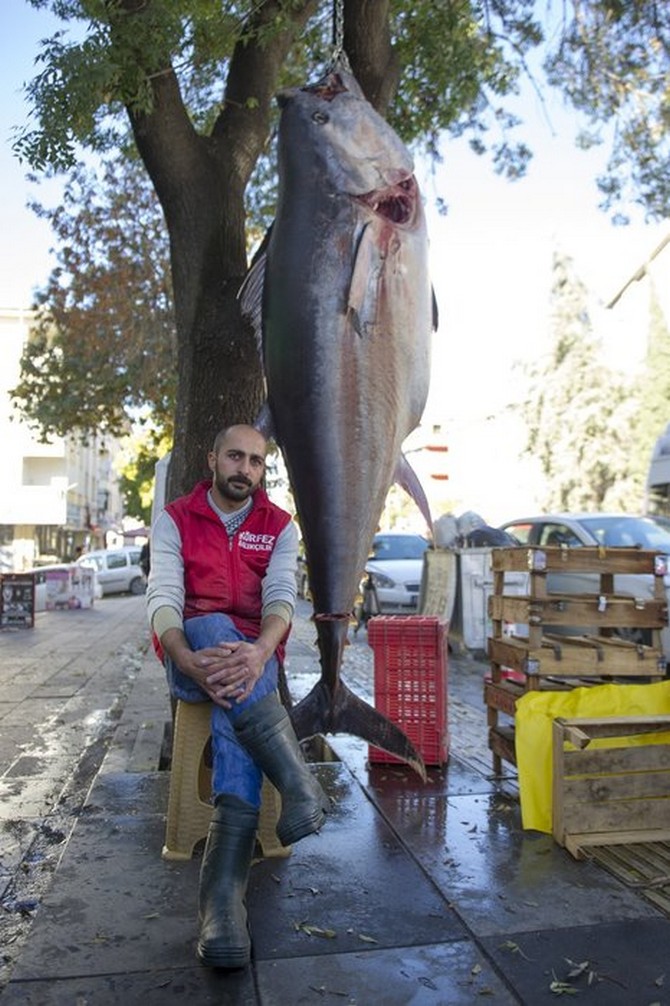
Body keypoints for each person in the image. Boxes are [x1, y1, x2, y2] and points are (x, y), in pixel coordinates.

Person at [146, 424, 328, 970]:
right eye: (235, 456)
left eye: (255, 460)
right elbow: (164, 599)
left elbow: (280, 600)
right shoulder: (176, 519)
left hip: (254, 664)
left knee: (235, 709)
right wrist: (182, 655)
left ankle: (222, 902)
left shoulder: (279, 527)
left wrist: (259, 653)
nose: (244, 468)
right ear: (213, 459)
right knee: (215, 627)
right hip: (190, 659)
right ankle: (298, 785)